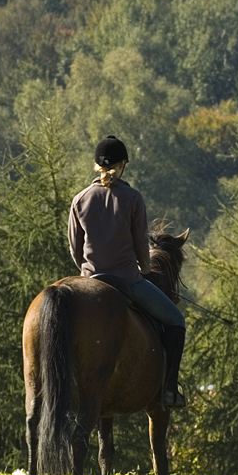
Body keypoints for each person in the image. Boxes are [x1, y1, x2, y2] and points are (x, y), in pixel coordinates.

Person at [68, 135, 186, 408]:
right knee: (176, 321)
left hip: (91, 281)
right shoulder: (133, 198)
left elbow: (76, 251)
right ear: (122, 166)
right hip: (128, 282)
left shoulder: (79, 200)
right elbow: (142, 249)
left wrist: (90, 273)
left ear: (96, 166)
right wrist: (143, 269)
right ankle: (169, 390)